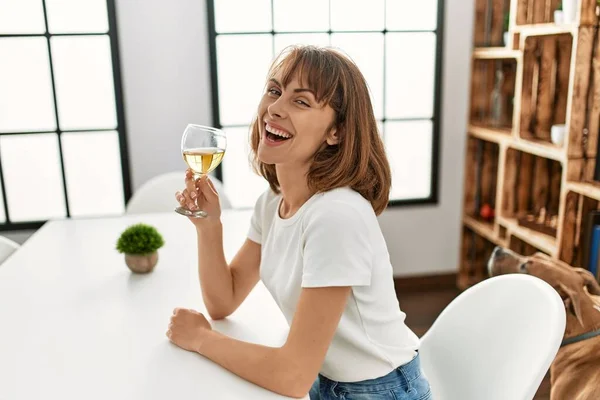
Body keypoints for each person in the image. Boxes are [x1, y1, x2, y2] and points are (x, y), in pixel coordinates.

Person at [169, 45, 432, 400]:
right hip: (324, 381)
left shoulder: (337, 216)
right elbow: (223, 301)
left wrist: (201, 338)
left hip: (380, 391)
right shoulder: (273, 202)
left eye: (301, 101)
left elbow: (291, 375)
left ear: (335, 132)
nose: (274, 109)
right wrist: (209, 226)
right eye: (275, 91)